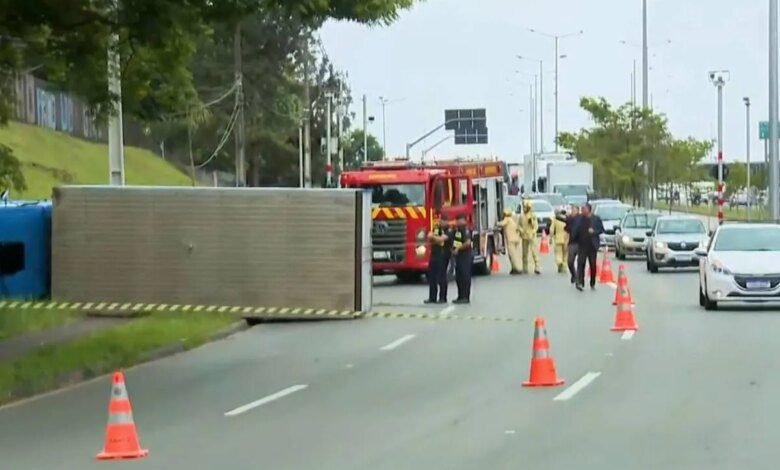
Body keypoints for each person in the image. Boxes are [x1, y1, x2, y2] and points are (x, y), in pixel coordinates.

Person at [572, 202, 605, 291]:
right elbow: (574, 229)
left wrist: (594, 231)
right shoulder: (579, 219)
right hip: (582, 245)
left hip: (592, 246)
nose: (582, 210)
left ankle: (592, 282)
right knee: (580, 263)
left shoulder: (596, 219)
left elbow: (601, 230)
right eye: (581, 209)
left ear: (588, 209)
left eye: (584, 209)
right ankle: (580, 282)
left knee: (592, 265)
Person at [424, 215, 453, 304]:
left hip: (443, 255)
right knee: (431, 276)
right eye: (440, 220)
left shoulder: (449, 230)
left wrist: (434, 238)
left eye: (442, 221)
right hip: (434, 254)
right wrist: (435, 238)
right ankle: (432, 297)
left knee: (441, 277)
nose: (440, 222)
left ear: (447, 221)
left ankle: (442, 298)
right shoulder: (437, 228)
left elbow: (442, 239)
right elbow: (429, 236)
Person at [452, 213, 473, 303]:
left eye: (459, 220)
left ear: (463, 220)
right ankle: (460, 296)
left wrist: (458, 249)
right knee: (459, 277)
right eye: (457, 220)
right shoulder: (457, 230)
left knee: (465, 276)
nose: (457, 222)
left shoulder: (466, 229)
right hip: (459, 256)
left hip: (465, 256)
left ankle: (465, 297)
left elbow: (468, 242)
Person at [496, 208, 522, 274]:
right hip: (515, 239)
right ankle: (513, 268)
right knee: (513, 254)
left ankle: (516, 268)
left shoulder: (507, 219)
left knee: (512, 255)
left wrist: (496, 223)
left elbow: (501, 224)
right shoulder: (512, 220)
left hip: (511, 240)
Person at [519, 199, 540, 274]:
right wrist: (521, 230)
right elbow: (519, 225)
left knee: (534, 252)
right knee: (524, 253)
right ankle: (525, 268)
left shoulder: (532, 215)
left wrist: (533, 230)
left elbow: (536, 226)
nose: (524, 208)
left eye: (525, 207)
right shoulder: (521, 216)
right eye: (523, 207)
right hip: (524, 236)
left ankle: (537, 267)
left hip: (532, 236)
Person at [565, 205, 582, 283]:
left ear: (578, 211)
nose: (573, 212)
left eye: (574, 210)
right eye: (572, 210)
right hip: (572, 243)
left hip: (581, 243)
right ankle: (573, 274)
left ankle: (578, 278)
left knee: (580, 262)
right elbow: (566, 229)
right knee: (570, 261)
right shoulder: (569, 219)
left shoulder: (582, 218)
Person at [549, 209, 568, 273]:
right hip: (566, 239)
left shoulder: (555, 219)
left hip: (558, 238)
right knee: (565, 254)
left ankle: (559, 262)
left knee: (558, 253)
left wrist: (550, 238)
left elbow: (551, 230)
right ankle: (564, 266)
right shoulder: (567, 219)